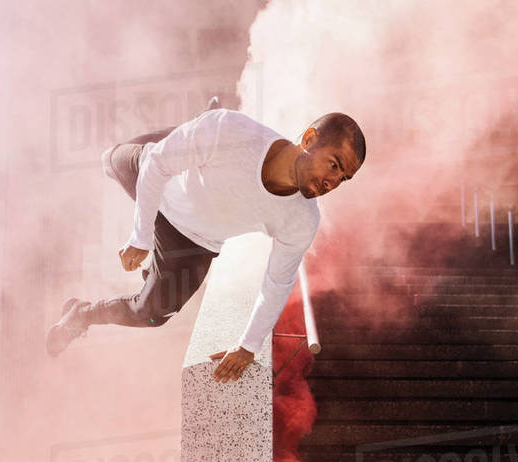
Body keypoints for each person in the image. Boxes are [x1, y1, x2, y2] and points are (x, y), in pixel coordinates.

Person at [45, 100, 365, 382]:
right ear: (309, 139)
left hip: (194, 242)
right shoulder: (233, 132)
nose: (332, 182)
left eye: (343, 178)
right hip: (158, 181)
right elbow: (156, 166)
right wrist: (140, 237)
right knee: (110, 161)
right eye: (334, 165)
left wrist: (247, 346)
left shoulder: (303, 219)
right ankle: (195, 129)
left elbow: (277, 282)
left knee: (152, 313)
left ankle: (81, 315)